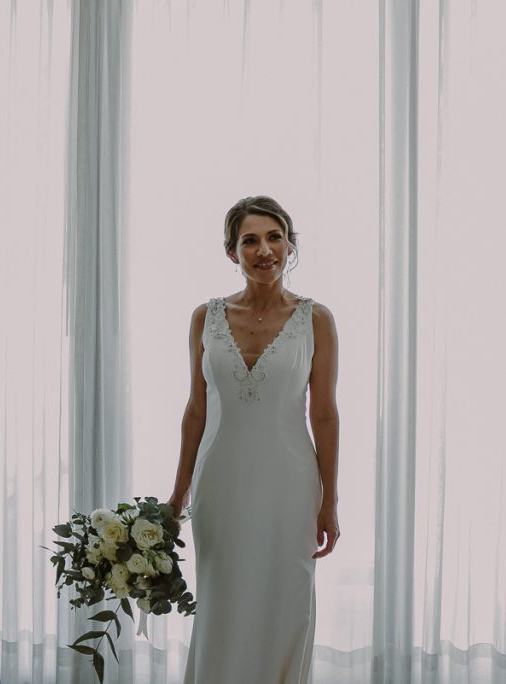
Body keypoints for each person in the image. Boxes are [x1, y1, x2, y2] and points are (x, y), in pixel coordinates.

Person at [167, 195, 340, 683]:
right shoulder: (206, 317)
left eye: (275, 237)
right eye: (250, 240)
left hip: (290, 487)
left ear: (289, 245)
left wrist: (329, 501)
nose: (265, 249)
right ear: (232, 252)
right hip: (220, 485)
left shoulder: (317, 319)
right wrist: (178, 494)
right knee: (222, 605)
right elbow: (196, 410)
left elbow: (324, 415)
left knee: (286, 607)